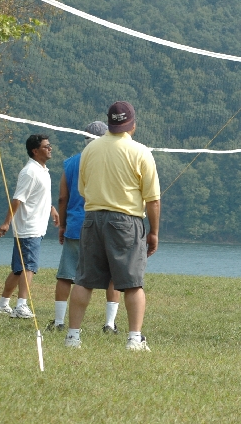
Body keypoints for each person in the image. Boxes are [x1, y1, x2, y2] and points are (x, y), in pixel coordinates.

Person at [65, 101, 161, 351]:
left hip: (92, 218)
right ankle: (134, 339)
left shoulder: (89, 150)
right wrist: (154, 232)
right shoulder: (141, 152)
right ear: (132, 125)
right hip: (126, 221)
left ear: (109, 123)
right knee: (133, 283)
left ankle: (72, 337)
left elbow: (82, 189)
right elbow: (152, 199)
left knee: (83, 280)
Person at [47, 121, 122, 334]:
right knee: (112, 276)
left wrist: (62, 225)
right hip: (105, 225)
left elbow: (63, 198)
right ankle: (109, 324)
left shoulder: (71, 163)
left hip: (76, 225)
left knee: (67, 275)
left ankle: (59, 322)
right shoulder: (112, 161)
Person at [0, 134, 59, 318]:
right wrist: (6, 222)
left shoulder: (43, 170)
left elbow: (38, 196)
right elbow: (18, 199)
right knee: (29, 267)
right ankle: (21, 306)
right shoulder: (30, 172)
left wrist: (51, 209)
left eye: (50, 145)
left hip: (35, 227)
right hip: (29, 228)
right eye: (46, 146)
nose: (50, 148)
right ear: (35, 151)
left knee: (18, 270)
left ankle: (2, 304)